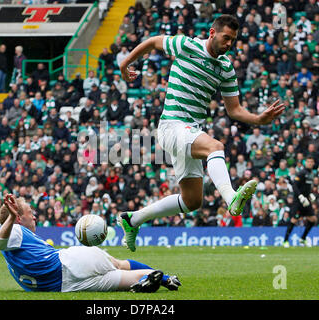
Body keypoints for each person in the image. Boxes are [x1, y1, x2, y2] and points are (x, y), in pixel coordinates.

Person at [118, 14, 285, 252]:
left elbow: (235, 110)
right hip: (172, 126)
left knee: (192, 200)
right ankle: (231, 198)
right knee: (215, 147)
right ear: (212, 33)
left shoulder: (226, 68)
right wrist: (125, 63)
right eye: (226, 38)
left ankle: (132, 220)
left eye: (233, 40)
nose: (229, 44)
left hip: (190, 131)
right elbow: (154, 41)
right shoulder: (187, 45)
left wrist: (258, 119)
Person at [0, 194, 181, 293]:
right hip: (69, 263)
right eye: (29, 212)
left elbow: (3, 244)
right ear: (16, 217)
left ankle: (155, 279)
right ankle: (165, 278)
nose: (33, 216)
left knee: (123, 279)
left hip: (64, 286)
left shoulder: (14, 254)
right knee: (119, 264)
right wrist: (9, 218)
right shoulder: (15, 230)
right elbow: (1, 241)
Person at [283, 156, 318, 247]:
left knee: (313, 219)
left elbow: (307, 186)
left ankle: (302, 238)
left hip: (306, 200)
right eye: (308, 162)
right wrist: (300, 196)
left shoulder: (311, 173)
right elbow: (295, 185)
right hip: (299, 201)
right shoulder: (302, 173)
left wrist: (310, 194)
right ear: (305, 162)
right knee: (294, 220)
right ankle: (285, 241)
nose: (310, 163)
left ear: (313, 163)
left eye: (311, 162)